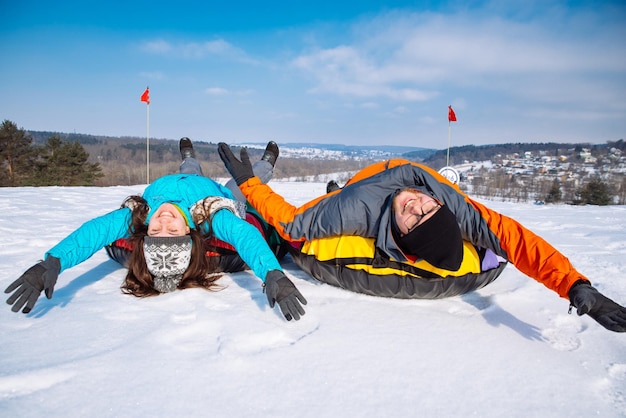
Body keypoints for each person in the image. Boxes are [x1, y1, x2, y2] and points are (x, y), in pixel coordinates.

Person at [218, 142, 626, 332]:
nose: (415, 203)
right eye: (427, 209)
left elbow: (290, 224)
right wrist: (573, 282)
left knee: (314, 214)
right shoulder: (446, 202)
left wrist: (248, 183)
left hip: (356, 190)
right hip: (390, 175)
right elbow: (515, 239)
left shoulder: (353, 211)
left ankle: (311, 184)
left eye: (415, 218)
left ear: (400, 238)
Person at [5, 138, 306, 321]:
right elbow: (245, 236)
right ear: (188, 235)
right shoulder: (208, 215)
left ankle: (188, 157)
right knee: (247, 181)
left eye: (155, 232)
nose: (163, 221)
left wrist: (54, 261)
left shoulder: (142, 214)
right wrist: (272, 273)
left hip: (176, 181)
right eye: (172, 232)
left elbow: (95, 231)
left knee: (188, 169)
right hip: (219, 191)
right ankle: (268, 162)